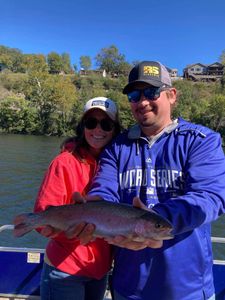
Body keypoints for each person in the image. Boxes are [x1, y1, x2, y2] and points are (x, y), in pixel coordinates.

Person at [72, 61, 225, 300]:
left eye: (152, 92)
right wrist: (94, 214)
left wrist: (151, 223)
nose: (142, 102)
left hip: (188, 290)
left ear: (172, 95)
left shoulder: (202, 141)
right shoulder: (116, 147)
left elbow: (210, 197)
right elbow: (104, 189)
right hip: (127, 288)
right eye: (134, 95)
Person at [34, 96, 121, 300]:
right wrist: (73, 232)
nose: (98, 130)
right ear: (82, 126)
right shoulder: (63, 162)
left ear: (115, 129)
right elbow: (42, 215)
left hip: (100, 270)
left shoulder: (119, 165)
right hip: (65, 268)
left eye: (106, 124)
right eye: (91, 123)